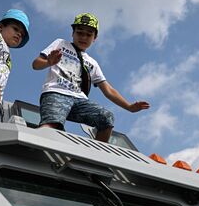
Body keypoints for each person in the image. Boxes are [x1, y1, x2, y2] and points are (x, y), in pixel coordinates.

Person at [32, 12, 149, 142]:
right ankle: (33, 141)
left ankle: (97, 155)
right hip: (56, 93)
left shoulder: (92, 63)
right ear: (73, 33)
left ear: (95, 38)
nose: (84, 37)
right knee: (52, 126)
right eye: (80, 32)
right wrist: (48, 62)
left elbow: (108, 90)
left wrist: (129, 107)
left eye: (89, 34)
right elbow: (36, 64)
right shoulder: (61, 44)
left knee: (106, 117)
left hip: (79, 100)